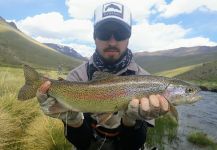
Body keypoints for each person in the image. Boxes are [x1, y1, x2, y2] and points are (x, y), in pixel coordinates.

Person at [36, 1, 169, 150]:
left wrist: (133, 122)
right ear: (94, 36)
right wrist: (73, 122)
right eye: (104, 33)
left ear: (128, 37)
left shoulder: (147, 81)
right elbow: (82, 144)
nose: (112, 41)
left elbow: (131, 146)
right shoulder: (76, 78)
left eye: (120, 34)